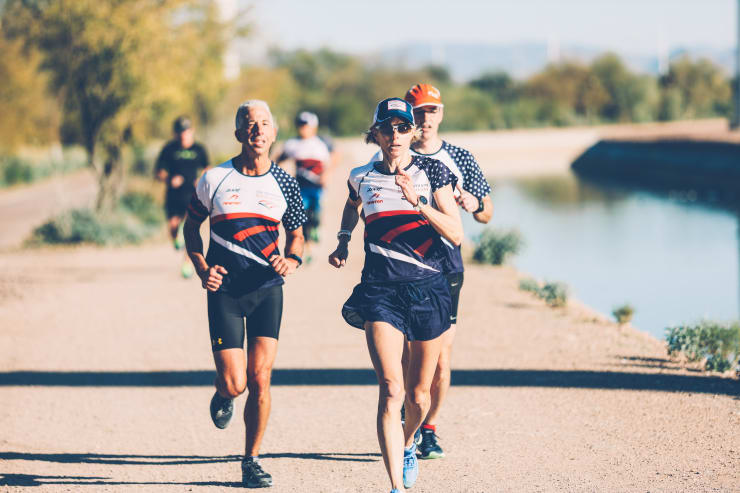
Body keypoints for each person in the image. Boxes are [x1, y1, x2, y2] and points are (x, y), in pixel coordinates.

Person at [329, 98, 462, 493]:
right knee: (391, 390)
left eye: (403, 128)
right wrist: (342, 239)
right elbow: (352, 207)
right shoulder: (360, 177)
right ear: (376, 134)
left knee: (419, 396)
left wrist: (417, 203)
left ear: (413, 132)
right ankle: (395, 488)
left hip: (428, 290)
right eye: (387, 128)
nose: (396, 136)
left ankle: (407, 443)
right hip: (381, 292)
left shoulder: (432, 171)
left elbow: (455, 234)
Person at [183, 100, 306, 488]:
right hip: (226, 293)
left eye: (265, 123)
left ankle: (251, 459)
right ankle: (223, 394)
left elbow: (298, 234)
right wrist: (203, 269)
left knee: (261, 378)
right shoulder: (213, 178)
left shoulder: (285, 182)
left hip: (267, 289)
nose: (258, 130)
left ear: (274, 132)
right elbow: (191, 229)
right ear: (239, 134)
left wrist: (293, 259)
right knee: (236, 383)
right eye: (250, 124)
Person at [370, 84, 493, 460]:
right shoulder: (388, 158)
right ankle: (408, 427)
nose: (425, 119)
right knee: (406, 360)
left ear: (441, 114)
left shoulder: (458, 157)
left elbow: (486, 212)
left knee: (441, 357)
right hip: (398, 272)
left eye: (432, 111)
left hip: (445, 267)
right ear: (405, 118)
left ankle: (429, 428)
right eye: (417, 112)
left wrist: (473, 204)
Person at [275, 111, 338, 261]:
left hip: (317, 186)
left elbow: (336, 155)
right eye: (300, 126)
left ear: (314, 127)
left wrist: (327, 174)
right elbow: (278, 159)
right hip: (301, 187)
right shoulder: (292, 144)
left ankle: (317, 227)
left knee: (315, 213)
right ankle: (308, 248)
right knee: (303, 216)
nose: (303, 129)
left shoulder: (322, 143)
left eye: (306, 126)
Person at [155, 116, 209, 278]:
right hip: (174, 196)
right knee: (173, 226)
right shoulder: (169, 149)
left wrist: (202, 178)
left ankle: (187, 263)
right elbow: (159, 172)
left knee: (190, 229)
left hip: (193, 196)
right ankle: (175, 239)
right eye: (180, 132)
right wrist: (169, 179)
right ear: (175, 133)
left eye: (185, 131)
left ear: (191, 131)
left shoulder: (199, 149)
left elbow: (207, 167)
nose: (183, 135)